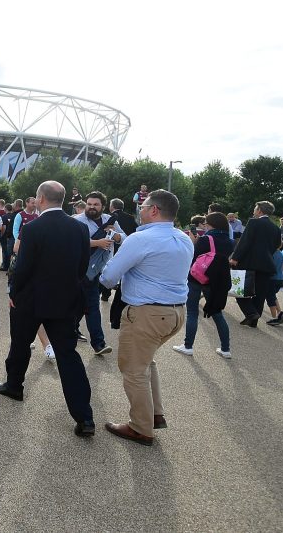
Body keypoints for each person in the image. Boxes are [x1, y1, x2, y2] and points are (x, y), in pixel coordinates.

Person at [0, 181, 96, 437]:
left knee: (20, 344)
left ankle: (15, 386)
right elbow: (82, 267)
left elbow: (23, 267)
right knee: (68, 356)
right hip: (65, 301)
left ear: (40, 199)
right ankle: (84, 417)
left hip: (31, 300)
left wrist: (13, 292)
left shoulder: (33, 228)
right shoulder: (80, 228)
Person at [100, 189, 192, 446]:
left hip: (147, 313)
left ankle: (140, 427)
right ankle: (155, 414)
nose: (140, 210)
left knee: (133, 369)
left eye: (144, 206)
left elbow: (109, 278)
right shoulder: (183, 239)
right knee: (146, 362)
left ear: (154, 210)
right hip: (175, 312)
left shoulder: (141, 240)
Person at [172, 212, 234, 359]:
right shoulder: (230, 242)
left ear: (211, 224)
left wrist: (194, 242)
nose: (205, 225)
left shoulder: (205, 239)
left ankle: (188, 346)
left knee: (192, 313)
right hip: (216, 281)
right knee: (217, 313)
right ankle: (226, 349)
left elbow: (192, 257)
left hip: (196, 279)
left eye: (206, 222)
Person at [73, 191, 124, 355]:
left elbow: (125, 237)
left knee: (89, 305)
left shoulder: (109, 220)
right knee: (86, 305)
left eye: (96, 205)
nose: (91, 207)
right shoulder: (77, 220)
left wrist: (115, 235)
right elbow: (72, 242)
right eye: (89, 204)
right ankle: (97, 343)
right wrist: (97, 242)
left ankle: (96, 343)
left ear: (103, 206)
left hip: (99, 271)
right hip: (78, 269)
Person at [231, 201, 282, 328]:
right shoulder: (275, 227)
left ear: (259, 210)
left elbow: (245, 241)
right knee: (260, 294)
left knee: (239, 290)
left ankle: (251, 313)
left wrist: (235, 258)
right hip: (266, 264)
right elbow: (276, 245)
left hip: (249, 263)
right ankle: (254, 321)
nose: (253, 210)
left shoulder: (254, 222)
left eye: (255, 208)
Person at [266, 242, 283, 326]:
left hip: (272, 278)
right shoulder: (282, 254)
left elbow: (270, 266)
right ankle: (280, 312)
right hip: (280, 278)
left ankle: (275, 318)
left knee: (270, 298)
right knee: (272, 295)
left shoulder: (272, 253)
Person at [0, 203, 17, 271]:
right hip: (12, 235)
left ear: (5, 209)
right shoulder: (14, 216)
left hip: (5, 236)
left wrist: (1, 235)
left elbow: (4, 227)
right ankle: (9, 265)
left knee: (4, 251)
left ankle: (4, 265)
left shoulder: (4, 216)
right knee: (11, 251)